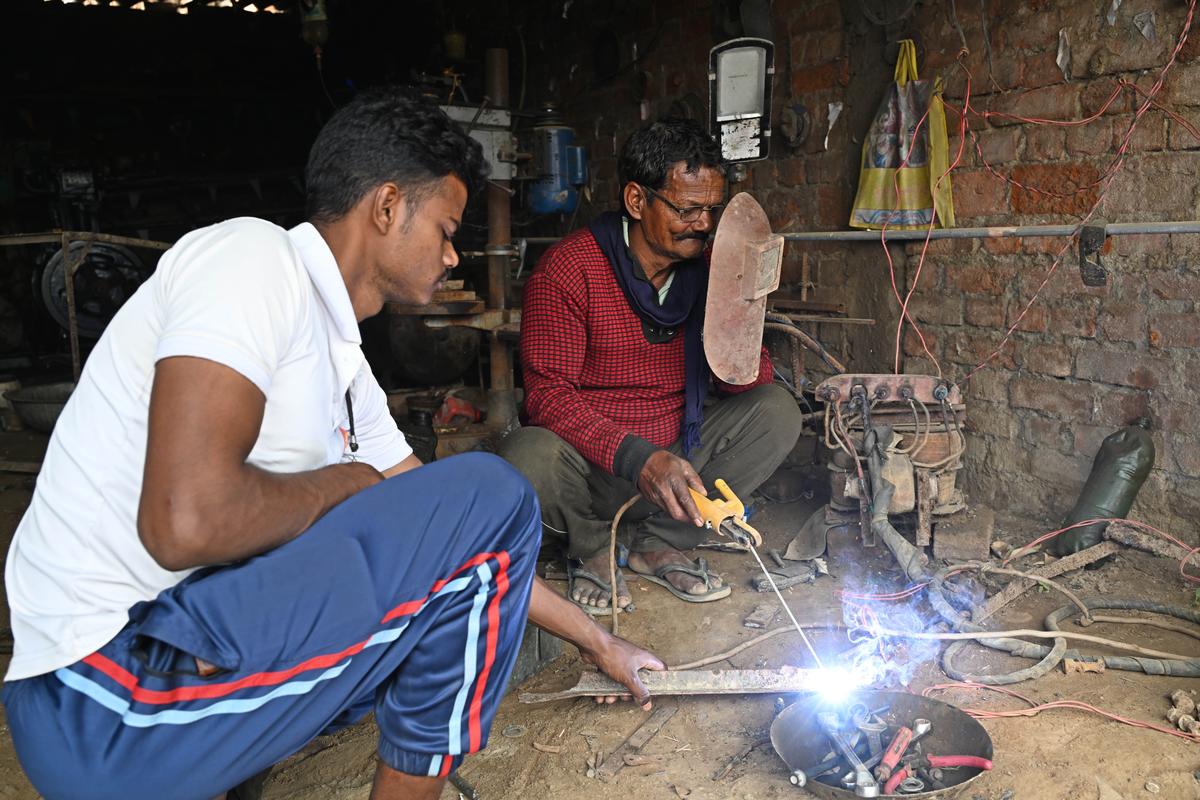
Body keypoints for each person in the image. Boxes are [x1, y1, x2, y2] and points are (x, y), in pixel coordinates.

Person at [2, 88, 661, 800]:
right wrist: (345, 483)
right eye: (444, 229)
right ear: (385, 207)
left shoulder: (344, 369)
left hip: (150, 687)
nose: (449, 256)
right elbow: (184, 522)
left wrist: (599, 641)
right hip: (102, 700)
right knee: (492, 488)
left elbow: (476, 552)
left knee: (451, 541)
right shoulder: (252, 260)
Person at [500, 118, 802, 615]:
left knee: (777, 410)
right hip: (593, 467)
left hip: (681, 461)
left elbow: (747, 381)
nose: (703, 224)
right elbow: (548, 398)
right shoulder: (568, 270)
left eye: (711, 210)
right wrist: (638, 458)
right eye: (687, 209)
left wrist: (739, 312)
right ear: (637, 201)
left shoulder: (707, 271)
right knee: (525, 453)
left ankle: (659, 542)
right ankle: (594, 546)